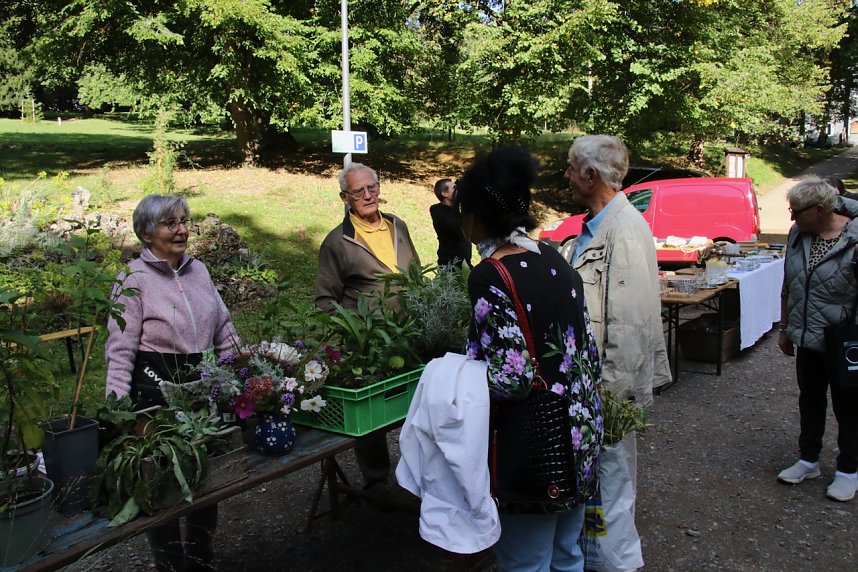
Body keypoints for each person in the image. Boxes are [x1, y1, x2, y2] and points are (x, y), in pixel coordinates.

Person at [457, 146, 603, 571]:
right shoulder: (554, 259)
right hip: (580, 432)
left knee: (525, 561)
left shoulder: (490, 274)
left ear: (477, 214)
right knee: (567, 554)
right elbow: (586, 352)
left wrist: (454, 378)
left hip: (534, 445)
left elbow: (513, 378)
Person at [105, 194, 238, 571]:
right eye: (170, 223)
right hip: (152, 396)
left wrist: (237, 376)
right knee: (161, 485)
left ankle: (200, 552)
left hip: (200, 387)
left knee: (207, 475)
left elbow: (225, 330)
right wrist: (116, 409)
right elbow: (119, 349)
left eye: (184, 221)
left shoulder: (200, 271)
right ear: (147, 233)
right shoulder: (132, 279)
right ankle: (170, 562)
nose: (181, 230)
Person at [315, 162, 420, 488]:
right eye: (358, 191)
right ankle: (377, 482)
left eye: (371, 187)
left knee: (416, 405)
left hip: (410, 336)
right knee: (373, 418)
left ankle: (419, 475)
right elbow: (324, 301)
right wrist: (355, 332)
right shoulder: (338, 242)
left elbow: (415, 274)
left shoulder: (397, 225)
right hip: (369, 347)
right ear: (345, 197)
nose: (367, 195)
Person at [560, 135, 672, 405]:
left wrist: (609, 398)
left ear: (591, 176)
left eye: (571, 168)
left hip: (604, 393)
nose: (566, 175)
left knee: (612, 449)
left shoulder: (623, 231)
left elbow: (628, 326)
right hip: (588, 379)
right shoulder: (600, 225)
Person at [776, 177, 858, 502]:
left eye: (797, 212)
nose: (792, 219)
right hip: (807, 337)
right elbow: (788, 283)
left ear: (821, 209)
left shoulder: (853, 237)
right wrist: (785, 329)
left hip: (844, 341)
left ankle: (848, 471)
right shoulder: (798, 234)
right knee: (810, 400)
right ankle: (808, 460)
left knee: (849, 407)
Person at [430, 178, 472, 268]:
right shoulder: (438, 211)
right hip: (449, 266)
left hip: (464, 264)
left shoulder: (457, 211)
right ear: (444, 193)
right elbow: (455, 227)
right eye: (454, 188)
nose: (457, 190)